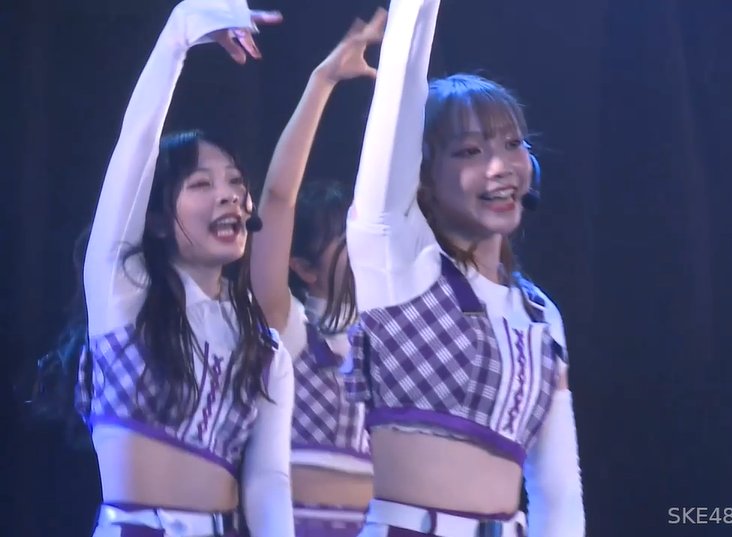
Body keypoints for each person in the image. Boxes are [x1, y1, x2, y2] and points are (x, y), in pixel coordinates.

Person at [344, 1, 586, 535]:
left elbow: (558, 490)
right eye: (471, 151)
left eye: (512, 145)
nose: (500, 167)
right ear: (423, 174)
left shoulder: (540, 314)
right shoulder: (397, 261)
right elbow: (400, 94)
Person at [75, 1, 294, 535]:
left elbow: (269, 481)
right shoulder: (124, 294)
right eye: (201, 184)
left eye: (236, 183)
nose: (230, 196)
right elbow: (136, 145)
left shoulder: (264, 346)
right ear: (153, 220)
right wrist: (178, 38)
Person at [250, 9, 386, 537]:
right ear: (303, 267)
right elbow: (277, 201)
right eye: (341, 239)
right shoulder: (291, 330)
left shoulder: (392, 341)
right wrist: (323, 81)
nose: (360, 246)